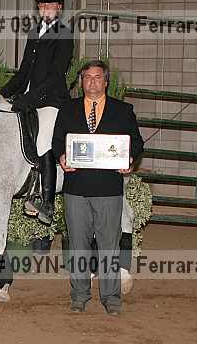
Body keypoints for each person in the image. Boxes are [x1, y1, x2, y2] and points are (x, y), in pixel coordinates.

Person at [52, 60, 144, 316]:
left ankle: (111, 297)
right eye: (87, 77)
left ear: (106, 81)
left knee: (109, 246)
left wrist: (129, 159)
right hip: (76, 189)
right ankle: (79, 296)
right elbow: (57, 140)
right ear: (81, 81)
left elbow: (137, 142)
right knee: (78, 245)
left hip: (109, 189)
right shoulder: (67, 109)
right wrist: (61, 156)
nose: (92, 81)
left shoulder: (123, 110)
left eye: (97, 77)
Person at [0, 0, 74, 225]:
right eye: (41, 6)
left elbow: (55, 75)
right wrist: (1, 93)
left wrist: (29, 99)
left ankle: (47, 202)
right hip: (30, 97)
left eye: (49, 5)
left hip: (50, 99)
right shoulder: (34, 33)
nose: (45, 10)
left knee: (42, 142)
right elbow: (23, 72)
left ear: (59, 7)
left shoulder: (64, 33)